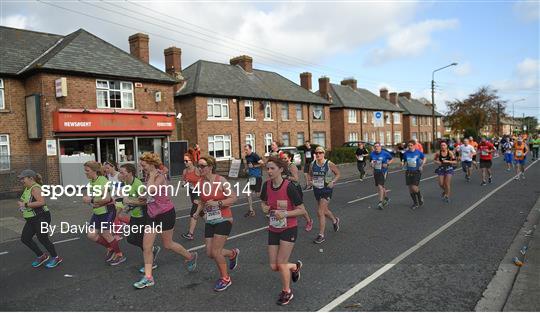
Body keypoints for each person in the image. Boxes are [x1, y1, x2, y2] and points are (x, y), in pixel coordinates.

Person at [133, 152, 198, 289]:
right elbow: (149, 195)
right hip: (152, 215)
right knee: (147, 246)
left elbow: (151, 190)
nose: (141, 167)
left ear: (151, 164)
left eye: (143, 165)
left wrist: (150, 178)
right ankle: (148, 277)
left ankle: (190, 256)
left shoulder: (159, 176)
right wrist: (141, 198)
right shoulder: (148, 175)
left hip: (165, 214)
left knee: (168, 244)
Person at [260, 156, 307, 305]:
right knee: (274, 266)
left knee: (281, 263)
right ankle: (294, 266)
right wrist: (264, 208)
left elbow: (302, 210)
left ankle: (287, 291)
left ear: (281, 169)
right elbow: (263, 202)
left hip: (289, 228)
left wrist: (285, 213)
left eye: (272, 168)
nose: (269, 171)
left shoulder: (289, 187)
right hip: (274, 228)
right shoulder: (266, 185)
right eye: (267, 168)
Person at [194, 156, 240, 292]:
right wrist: (197, 213)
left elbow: (233, 197)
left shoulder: (221, 180)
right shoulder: (201, 182)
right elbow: (202, 200)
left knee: (216, 251)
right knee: (210, 253)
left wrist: (218, 203)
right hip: (210, 220)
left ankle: (225, 278)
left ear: (210, 167)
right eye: (198, 166)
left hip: (224, 219)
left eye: (202, 166)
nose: (199, 168)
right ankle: (232, 254)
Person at [118, 163, 161, 273]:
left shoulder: (138, 184)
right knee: (132, 239)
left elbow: (145, 201)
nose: (120, 174)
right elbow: (130, 199)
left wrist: (128, 201)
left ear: (130, 173)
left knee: (139, 240)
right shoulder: (126, 183)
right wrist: (126, 208)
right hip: (134, 215)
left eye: (122, 172)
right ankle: (152, 250)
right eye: (120, 172)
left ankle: (151, 261)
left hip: (143, 216)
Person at [83, 161, 126, 266]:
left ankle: (120, 255)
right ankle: (110, 247)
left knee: (106, 233)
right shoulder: (92, 182)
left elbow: (107, 198)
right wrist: (89, 201)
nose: (85, 173)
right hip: (97, 212)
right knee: (91, 235)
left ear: (94, 171)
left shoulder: (102, 181)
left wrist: (91, 200)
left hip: (107, 211)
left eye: (87, 171)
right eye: (85, 170)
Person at [17, 169, 62, 268]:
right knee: (25, 238)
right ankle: (41, 256)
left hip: (41, 217)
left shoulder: (35, 188)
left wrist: (25, 204)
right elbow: (24, 200)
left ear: (30, 178)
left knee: (43, 238)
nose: (21, 181)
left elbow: (41, 202)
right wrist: (22, 205)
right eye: (20, 179)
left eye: (23, 178)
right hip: (31, 218)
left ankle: (56, 257)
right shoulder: (27, 188)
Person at [307, 146, 340, 244]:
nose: (318, 154)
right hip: (317, 189)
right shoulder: (313, 164)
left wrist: (333, 181)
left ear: (324, 153)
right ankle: (335, 220)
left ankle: (321, 235)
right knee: (324, 210)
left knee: (320, 212)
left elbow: (338, 174)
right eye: (316, 153)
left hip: (327, 190)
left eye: (320, 152)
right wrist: (310, 181)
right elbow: (310, 174)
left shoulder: (329, 164)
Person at [281, 151, 313, 232]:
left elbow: (296, 179)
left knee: (300, 207)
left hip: (295, 188)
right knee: (285, 206)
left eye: (285, 158)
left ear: (289, 158)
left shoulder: (292, 166)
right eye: (282, 158)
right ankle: (281, 224)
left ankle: (309, 221)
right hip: (287, 188)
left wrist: (286, 177)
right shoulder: (283, 166)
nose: (284, 160)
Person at [181, 153, 201, 240]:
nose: (185, 162)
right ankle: (215, 224)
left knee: (194, 212)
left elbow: (205, 179)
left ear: (191, 161)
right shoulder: (185, 171)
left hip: (199, 192)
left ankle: (190, 234)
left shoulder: (197, 170)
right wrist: (184, 183)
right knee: (201, 212)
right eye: (184, 161)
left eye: (186, 161)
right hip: (192, 192)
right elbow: (183, 181)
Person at [401, 140, 426, 210]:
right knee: (410, 188)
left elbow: (424, 158)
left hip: (416, 171)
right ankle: (415, 203)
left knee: (414, 187)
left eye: (411, 145)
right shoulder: (406, 153)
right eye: (408, 145)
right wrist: (403, 164)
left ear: (414, 145)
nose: (410, 147)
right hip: (408, 171)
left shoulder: (418, 152)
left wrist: (422, 165)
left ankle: (420, 196)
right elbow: (404, 160)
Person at [369, 142, 394, 209]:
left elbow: (392, 159)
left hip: (383, 172)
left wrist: (387, 164)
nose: (376, 148)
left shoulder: (385, 153)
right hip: (376, 172)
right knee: (382, 186)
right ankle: (386, 198)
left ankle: (380, 202)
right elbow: (371, 162)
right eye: (375, 147)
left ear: (380, 147)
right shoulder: (372, 154)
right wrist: (371, 165)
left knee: (380, 186)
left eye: (377, 146)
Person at [243, 144, 264, 217]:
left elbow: (262, 164)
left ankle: (268, 203)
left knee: (258, 194)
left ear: (250, 149)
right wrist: (245, 169)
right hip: (251, 177)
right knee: (248, 193)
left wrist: (254, 166)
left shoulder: (255, 155)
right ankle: (251, 210)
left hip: (257, 177)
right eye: (245, 150)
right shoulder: (246, 157)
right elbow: (248, 166)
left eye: (247, 150)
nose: (246, 151)